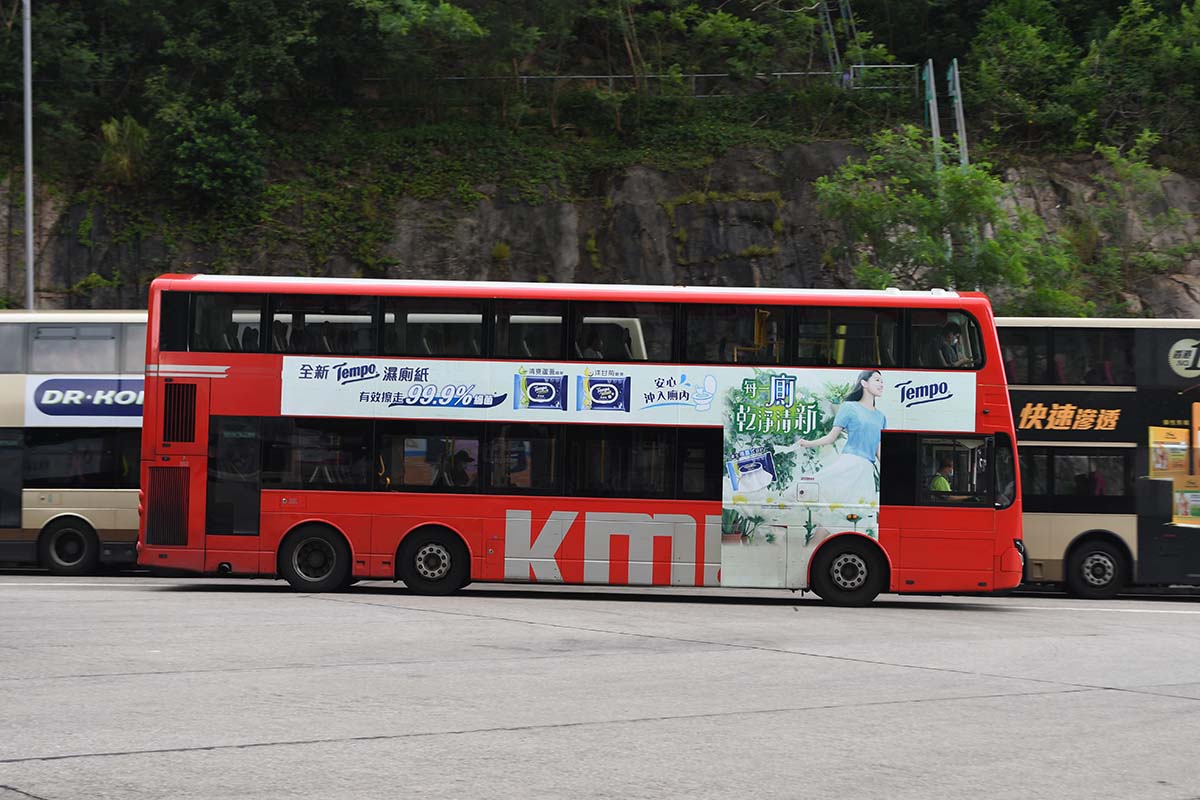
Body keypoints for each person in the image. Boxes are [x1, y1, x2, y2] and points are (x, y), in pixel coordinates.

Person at [779, 368, 887, 506]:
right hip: (850, 463)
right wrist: (807, 443)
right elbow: (831, 438)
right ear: (864, 383)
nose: (881, 384)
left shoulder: (880, 417)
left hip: (866, 470)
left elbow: (878, 447)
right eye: (877, 380)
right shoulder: (849, 407)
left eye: (882, 381)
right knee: (818, 492)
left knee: (853, 512)